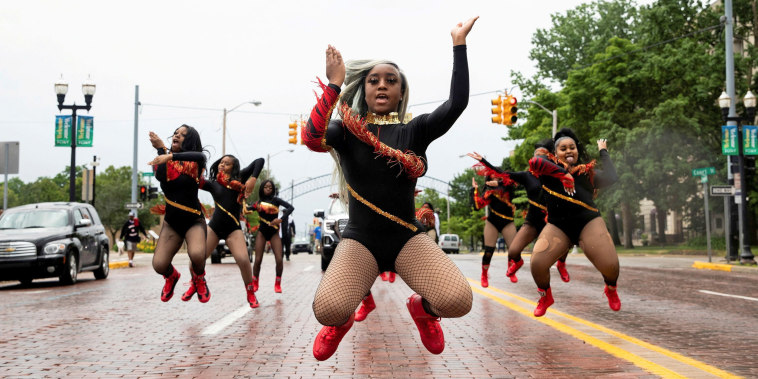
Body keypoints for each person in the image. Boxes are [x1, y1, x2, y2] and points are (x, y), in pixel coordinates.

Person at [302, 16, 477, 361]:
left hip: (407, 239)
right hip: (360, 240)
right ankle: (341, 322)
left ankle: (423, 310)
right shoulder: (347, 130)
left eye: (390, 81)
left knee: (458, 301)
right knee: (328, 309)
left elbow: (456, 105)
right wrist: (334, 86)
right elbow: (311, 137)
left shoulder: (416, 130)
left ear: (400, 93)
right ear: (364, 90)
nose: (381, 85)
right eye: (373, 80)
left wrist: (459, 45)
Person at [528, 128, 619, 317]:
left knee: (611, 267)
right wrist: (563, 174)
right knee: (537, 262)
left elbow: (612, 177)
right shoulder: (547, 168)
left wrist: (603, 151)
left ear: (577, 150)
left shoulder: (587, 173)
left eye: (572, 147)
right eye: (563, 148)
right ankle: (545, 296)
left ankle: (611, 288)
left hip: (588, 222)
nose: (569, 151)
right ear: (555, 153)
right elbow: (535, 161)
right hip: (558, 226)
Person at [467, 140, 571, 284]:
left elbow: (507, 182)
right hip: (520, 221)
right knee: (509, 251)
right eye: (536, 156)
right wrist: (483, 162)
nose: (539, 159)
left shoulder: (554, 175)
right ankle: (488, 273)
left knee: (565, 241)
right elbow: (504, 175)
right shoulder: (525, 176)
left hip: (548, 219)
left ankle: (561, 264)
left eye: (543, 156)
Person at [181, 154, 264, 308]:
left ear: (233, 167)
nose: (222, 165)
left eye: (226, 163)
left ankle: (250, 292)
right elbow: (194, 180)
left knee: (243, 260)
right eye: (221, 162)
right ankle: (196, 283)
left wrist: (252, 179)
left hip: (233, 229)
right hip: (214, 227)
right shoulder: (213, 184)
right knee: (195, 258)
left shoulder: (240, 178)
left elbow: (259, 160)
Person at [147, 125, 210, 303]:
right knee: (159, 265)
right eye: (176, 133)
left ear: (189, 142)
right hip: (172, 223)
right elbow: (161, 176)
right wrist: (161, 149)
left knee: (197, 254)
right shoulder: (163, 160)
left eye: (183, 135)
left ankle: (199, 278)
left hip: (193, 221)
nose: (177, 136)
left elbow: (200, 156)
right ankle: (172, 277)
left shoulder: (195, 163)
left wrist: (169, 154)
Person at [470, 170, 517, 288]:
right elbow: (477, 206)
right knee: (489, 251)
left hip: (508, 221)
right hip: (493, 222)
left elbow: (512, 182)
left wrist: (500, 184)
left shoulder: (509, 186)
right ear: (489, 178)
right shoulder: (488, 190)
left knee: (514, 250)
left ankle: (511, 270)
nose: (495, 176)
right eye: (492, 175)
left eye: (497, 174)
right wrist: (474, 190)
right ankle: (484, 274)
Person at [248, 179, 294, 294]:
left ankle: (277, 283)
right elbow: (246, 209)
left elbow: (290, 208)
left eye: (270, 187)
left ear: (273, 189)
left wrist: (281, 219)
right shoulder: (258, 203)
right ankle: (255, 282)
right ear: (262, 188)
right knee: (258, 260)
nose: (268, 189)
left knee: (279, 259)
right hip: (262, 233)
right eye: (266, 187)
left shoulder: (276, 200)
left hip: (274, 233)